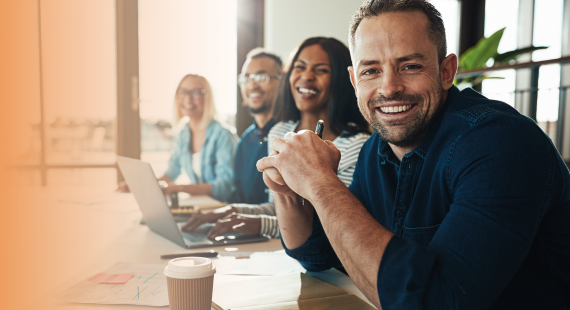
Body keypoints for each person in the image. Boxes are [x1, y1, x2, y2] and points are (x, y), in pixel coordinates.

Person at [257, 1, 570, 309]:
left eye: (410, 66)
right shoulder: (375, 150)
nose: (389, 87)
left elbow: (433, 300)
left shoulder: (501, 144)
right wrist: (286, 187)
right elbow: (320, 255)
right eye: (371, 71)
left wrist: (322, 183)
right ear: (355, 81)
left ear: (446, 71)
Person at [183, 37, 371, 239]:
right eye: (300, 67)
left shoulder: (357, 145)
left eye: (321, 70)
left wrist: (261, 225)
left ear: (341, 80)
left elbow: (335, 222)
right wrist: (232, 211)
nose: (306, 76)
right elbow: (278, 208)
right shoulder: (279, 132)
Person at [118, 74, 237, 202]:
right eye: (183, 92)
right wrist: (142, 185)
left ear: (208, 97)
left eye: (196, 93)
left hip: (225, 209)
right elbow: (171, 173)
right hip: (203, 206)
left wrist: (177, 189)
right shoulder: (183, 134)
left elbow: (223, 187)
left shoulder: (223, 135)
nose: (187, 99)